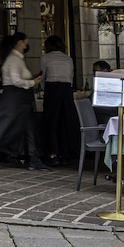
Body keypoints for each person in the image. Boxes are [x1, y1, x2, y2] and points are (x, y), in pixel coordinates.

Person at [0, 32, 51, 171]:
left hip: (20, 98)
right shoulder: (13, 59)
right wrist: (33, 82)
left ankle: (34, 158)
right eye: (25, 42)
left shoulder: (17, 59)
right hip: (14, 97)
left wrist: (33, 78)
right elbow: (16, 81)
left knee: (29, 128)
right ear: (19, 43)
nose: (26, 45)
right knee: (9, 126)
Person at [40, 36, 76, 166]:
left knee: (50, 121)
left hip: (53, 87)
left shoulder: (45, 58)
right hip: (66, 89)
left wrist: (45, 89)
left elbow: (43, 76)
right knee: (64, 121)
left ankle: (52, 153)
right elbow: (70, 76)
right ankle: (65, 153)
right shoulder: (68, 58)